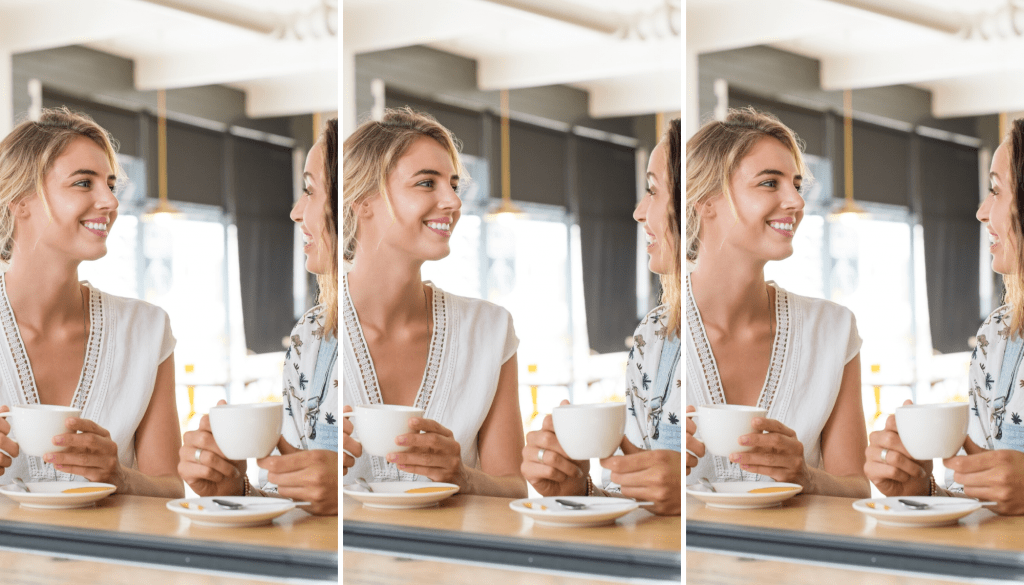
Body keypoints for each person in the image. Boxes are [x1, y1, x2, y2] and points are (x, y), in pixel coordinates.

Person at [341, 107, 526, 498]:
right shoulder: (315, 337)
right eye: (427, 183)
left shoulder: (489, 330)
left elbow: (514, 488)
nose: (454, 202)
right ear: (363, 201)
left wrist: (463, 477)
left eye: (453, 185)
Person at [683, 108, 869, 497]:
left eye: (797, 185)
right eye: (770, 183)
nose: (797, 201)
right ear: (706, 200)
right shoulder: (658, 336)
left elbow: (857, 488)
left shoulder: (832, 330)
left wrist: (807, 476)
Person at [0, 108, 183, 497]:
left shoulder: (146, 330)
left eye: (111, 185)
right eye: (84, 183)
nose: (111, 202)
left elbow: (171, 488)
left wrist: (120, 476)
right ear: (19, 201)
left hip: (112, 559)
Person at [519, 120, 683, 515]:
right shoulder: (654, 337)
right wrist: (580, 488)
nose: (638, 212)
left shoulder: (824, 331)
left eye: (653, 190)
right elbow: (634, 510)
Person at [179, 119, 339, 515]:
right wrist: (238, 488)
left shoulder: (478, 331)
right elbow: (293, 510)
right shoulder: (311, 337)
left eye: (310, 190)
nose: (294, 212)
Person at [866, 118, 1024, 515]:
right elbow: (982, 508)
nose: (981, 212)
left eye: (996, 190)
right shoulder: (998, 337)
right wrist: (925, 489)